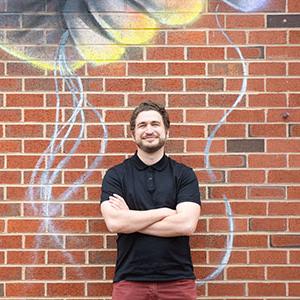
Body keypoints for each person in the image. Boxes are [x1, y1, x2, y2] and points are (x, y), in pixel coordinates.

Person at [100, 101, 201, 300]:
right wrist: (165, 212)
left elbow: (186, 224)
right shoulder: (116, 175)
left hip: (178, 281)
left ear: (166, 131)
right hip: (130, 281)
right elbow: (115, 223)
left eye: (155, 124)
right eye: (142, 125)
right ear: (133, 134)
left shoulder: (184, 175)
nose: (149, 130)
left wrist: (131, 219)